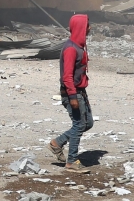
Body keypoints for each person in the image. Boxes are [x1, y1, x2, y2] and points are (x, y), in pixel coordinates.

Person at [49, 13, 93, 172]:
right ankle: (71, 161)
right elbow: (66, 76)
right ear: (81, 27)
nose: (90, 28)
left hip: (80, 92)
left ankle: (57, 142)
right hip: (72, 93)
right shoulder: (70, 49)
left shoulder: (79, 46)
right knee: (79, 125)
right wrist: (73, 97)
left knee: (88, 123)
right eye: (87, 25)